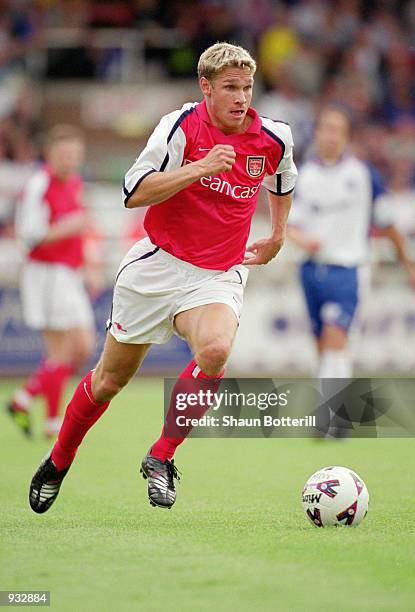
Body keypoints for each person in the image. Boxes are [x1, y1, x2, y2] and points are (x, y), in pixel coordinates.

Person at [28, 42, 297, 513]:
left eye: (247, 87)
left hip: (218, 272)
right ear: (206, 87)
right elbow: (133, 191)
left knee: (214, 351)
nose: (241, 98)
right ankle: (59, 459)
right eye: (230, 88)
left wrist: (276, 233)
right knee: (110, 380)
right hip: (157, 265)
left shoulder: (273, 137)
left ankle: (161, 456)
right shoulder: (181, 126)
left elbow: (283, 177)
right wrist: (200, 167)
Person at [287, 105, 415, 381]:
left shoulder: (362, 174)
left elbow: (387, 222)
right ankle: (330, 411)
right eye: (327, 129)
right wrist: (304, 241)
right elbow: (291, 226)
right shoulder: (304, 175)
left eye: (339, 131)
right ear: (318, 133)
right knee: (322, 346)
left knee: (336, 339)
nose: (332, 136)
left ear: (346, 137)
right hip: (311, 269)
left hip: (348, 269)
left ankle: (333, 421)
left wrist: (408, 265)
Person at [8, 125, 96, 438]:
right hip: (45, 273)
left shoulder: (73, 182)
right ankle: (52, 422)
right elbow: (28, 236)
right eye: (65, 154)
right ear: (51, 155)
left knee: (82, 346)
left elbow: (80, 228)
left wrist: (88, 264)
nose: (70, 160)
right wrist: (67, 227)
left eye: (75, 154)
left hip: (68, 273)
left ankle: (24, 397)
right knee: (60, 350)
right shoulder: (39, 184)